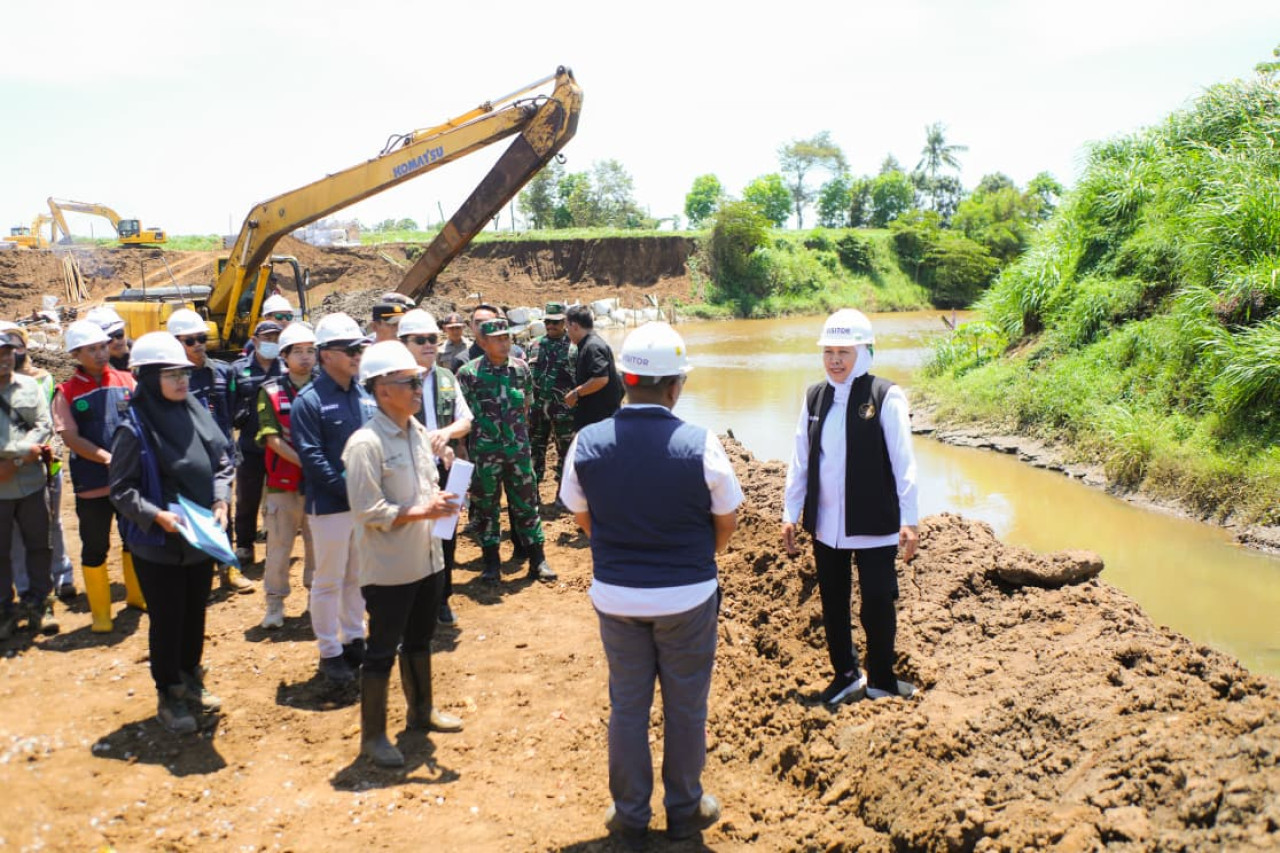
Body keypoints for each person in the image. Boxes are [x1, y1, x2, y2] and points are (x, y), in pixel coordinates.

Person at [559, 322, 742, 845]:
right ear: (675, 386)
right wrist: (707, 553)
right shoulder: (700, 443)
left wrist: (616, 547)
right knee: (686, 705)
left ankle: (630, 817)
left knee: (628, 706)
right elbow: (726, 517)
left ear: (623, 379)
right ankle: (684, 809)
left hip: (616, 596)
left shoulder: (587, 442)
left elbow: (581, 514)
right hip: (688, 596)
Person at [781, 309, 919, 704]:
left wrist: (910, 519)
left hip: (874, 521)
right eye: (829, 352)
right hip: (826, 525)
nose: (835, 360)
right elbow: (801, 460)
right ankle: (845, 673)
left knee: (877, 600)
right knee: (834, 602)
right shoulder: (814, 397)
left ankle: (881, 679)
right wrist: (790, 514)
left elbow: (903, 461)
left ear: (864, 351)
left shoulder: (885, 395)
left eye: (844, 351)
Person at [343, 341, 463, 767]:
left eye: (418, 380)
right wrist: (423, 510)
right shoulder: (365, 444)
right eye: (409, 382)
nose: (418, 388)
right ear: (382, 390)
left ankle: (421, 711)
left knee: (419, 639)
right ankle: (372, 737)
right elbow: (368, 511)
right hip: (390, 568)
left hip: (427, 558)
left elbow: (424, 489)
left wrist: (440, 500)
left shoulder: (415, 432)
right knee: (381, 649)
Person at [109, 332, 234, 734]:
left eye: (183, 372)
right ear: (147, 379)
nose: (183, 381)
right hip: (160, 542)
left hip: (200, 538)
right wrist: (156, 515)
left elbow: (222, 463)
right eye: (171, 374)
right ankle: (168, 692)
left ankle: (190, 677)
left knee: (195, 611)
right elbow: (122, 490)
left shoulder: (195, 413)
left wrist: (220, 500)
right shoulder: (134, 429)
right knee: (167, 617)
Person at [290, 313, 376, 684]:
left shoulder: (364, 394)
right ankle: (330, 651)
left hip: (362, 505)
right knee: (328, 580)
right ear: (326, 355)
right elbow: (313, 459)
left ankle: (354, 638)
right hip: (330, 508)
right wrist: (353, 492)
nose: (358, 354)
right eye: (350, 349)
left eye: (360, 347)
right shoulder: (309, 402)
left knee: (357, 575)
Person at [54, 320, 140, 633]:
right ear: (76, 354)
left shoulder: (127, 380)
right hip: (92, 484)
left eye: (103, 346)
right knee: (95, 545)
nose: (101, 352)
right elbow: (70, 437)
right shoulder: (66, 392)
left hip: (129, 480)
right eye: (91, 349)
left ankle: (137, 597)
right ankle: (101, 613)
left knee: (134, 538)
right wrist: (106, 458)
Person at [456, 317, 555, 584]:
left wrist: (520, 440)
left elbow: (526, 408)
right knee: (487, 508)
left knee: (527, 505)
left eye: (506, 337)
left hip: (518, 453)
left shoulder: (521, 369)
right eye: (498, 338)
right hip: (485, 455)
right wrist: (463, 452)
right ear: (482, 342)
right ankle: (491, 564)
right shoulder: (468, 374)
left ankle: (538, 561)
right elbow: (461, 418)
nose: (504, 342)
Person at [397, 310, 473, 626]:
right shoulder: (394, 380)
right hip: (408, 471)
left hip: (445, 470)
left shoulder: (445, 378)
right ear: (404, 343)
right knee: (410, 536)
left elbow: (466, 420)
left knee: (446, 536)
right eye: (421, 340)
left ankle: (442, 598)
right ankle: (410, 603)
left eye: (433, 339)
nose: (430, 345)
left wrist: (446, 433)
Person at [166, 309, 249, 593]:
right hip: (187, 459)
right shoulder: (171, 380)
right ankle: (193, 573)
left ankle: (228, 571)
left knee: (224, 511)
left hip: (221, 457)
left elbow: (234, 408)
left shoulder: (223, 372)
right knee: (190, 515)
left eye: (201, 338)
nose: (198, 344)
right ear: (175, 342)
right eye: (190, 340)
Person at [4, 322, 76, 603]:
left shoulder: (41, 380)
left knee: (52, 524)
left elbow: (43, 425)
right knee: (15, 536)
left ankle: (62, 576)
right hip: (7, 473)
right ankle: (25, 588)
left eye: (15, 344)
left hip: (44, 464)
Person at [255, 323, 318, 629]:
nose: (305, 358)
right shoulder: (270, 391)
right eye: (298, 352)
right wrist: (310, 463)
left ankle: (315, 599)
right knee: (279, 547)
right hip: (283, 483)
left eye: (310, 351)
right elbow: (272, 439)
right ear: (284, 355)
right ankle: (274, 604)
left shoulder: (325, 389)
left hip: (318, 486)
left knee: (316, 545)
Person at [0, 327, 57, 639]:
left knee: (39, 546)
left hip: (31, 482)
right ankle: (4, 612)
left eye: (7, 353)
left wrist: (16, 459)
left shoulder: (30, 386)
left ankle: (40, 604)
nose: (4, 359)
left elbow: (44, 424)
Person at [230, 320, 284, 568]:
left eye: (275, 338)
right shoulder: (238, 370)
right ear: (254, 340)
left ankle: (277, 544)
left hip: (281, 449)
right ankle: (244, 545)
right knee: (247, 499)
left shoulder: (285, 368)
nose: (271, 343)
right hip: (251, 447)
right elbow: (229, 406)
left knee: (280, 500)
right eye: (267, 338)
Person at [528, 301, 577, 493]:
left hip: (564, 411)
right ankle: (532, 496)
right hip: (538, 410)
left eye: (556, 322)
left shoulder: (574, 347)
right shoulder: (534, 345)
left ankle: (563, 494)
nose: (551, 326)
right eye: (548, 321)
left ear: (565, 322)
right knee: (534, 452)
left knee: (566, 453)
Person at [565, 305, 622, 430]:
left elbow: (601, 378)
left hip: (599, 421)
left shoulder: (592, 347)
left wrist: (575, 393)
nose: (567, 332)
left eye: (567, 327)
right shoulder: (588, 344)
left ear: (575, 326)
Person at [86, 305, 131, 371]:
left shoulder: (143, 357)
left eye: (119, 334)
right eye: (108, 339)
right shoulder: (97, 373)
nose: (115, 341)